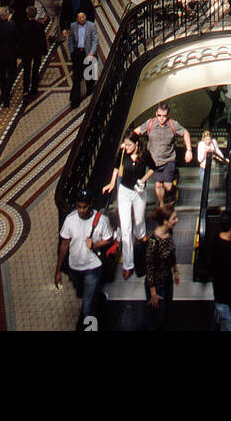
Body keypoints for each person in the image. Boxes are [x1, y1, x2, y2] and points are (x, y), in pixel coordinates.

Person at [55, 193, 114, 330]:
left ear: (90, 205)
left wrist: (95, 245)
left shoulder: (102, 220)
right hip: (74, 267)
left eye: (84, 207)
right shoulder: (70, 220)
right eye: (79, 207)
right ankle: (97, 295)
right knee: (82, 293)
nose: (81, 210)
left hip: (93, 267)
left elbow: (109, 238)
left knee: (88, 308)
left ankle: (91, 327)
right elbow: (64, 244)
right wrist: (57, 271)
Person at [102, 130, 156, 280]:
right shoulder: (123, 151)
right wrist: (112, 183)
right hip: (124, 192)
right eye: (125, 144)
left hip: (138, 192)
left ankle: (142, 240)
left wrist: (143, 180)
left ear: (136, 144)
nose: (126, 147)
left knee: (139, 223)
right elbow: (115, 168)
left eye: (129, 144)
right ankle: (128, 265)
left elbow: (153, 167)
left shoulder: (144, 154)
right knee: (126, 228)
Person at [136, 102, 193, 206]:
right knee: (158, 185)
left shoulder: (173, 124)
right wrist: (128, 144)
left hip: (168, 159)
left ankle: (173, 185)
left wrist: (189, 150)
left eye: (164, 116)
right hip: (154, 161)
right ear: (156, 114)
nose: (161, 118)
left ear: (168, 115)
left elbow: (185, 133)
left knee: (168, 186)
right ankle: (162, 205)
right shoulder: (150, 123)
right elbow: (136, 132)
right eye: (159, 115)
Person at [144, 205, 180, 330]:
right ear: (165, 221)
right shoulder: (153, 242)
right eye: (174, 218)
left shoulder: (169, 232)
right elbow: (149, 268)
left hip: (167, 280)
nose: (177, 220)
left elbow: (171, 253)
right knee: (157, 321)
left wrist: (175, 271)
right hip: (157, 286)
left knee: (167, 315)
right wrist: (153, 293)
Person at [66, 9, 98, 109]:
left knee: (89, 75)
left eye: (84, 17)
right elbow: (70, 39)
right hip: (77, 54)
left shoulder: (91, 25)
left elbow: (95, 41)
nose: (82, 19)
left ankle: (90, 90)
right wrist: (72, 51)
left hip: (88, 53)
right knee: (77, 77)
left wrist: (91, 53)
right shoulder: (73, 26)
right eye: (80, 17)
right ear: (77, 19)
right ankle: (75, 100)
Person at [0, 6, 18, 107]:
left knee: (1, 77)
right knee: (12, 75)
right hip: (11, 56)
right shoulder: (12, 27)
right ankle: (6, 92)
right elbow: (16, 41)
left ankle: (4, 93)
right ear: (6, 16)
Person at [18, 4, 47, 101]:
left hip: (26, 51)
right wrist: (44, 50)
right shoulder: (39, 26)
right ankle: (34, 88)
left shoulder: (23, 26)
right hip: (37, 50)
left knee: (26, 70)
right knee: (35, 69)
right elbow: (43, 39)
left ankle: (25, 90)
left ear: (27, 15)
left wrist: (20, 52)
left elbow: (20, 41)